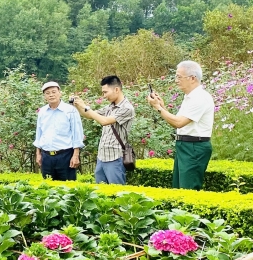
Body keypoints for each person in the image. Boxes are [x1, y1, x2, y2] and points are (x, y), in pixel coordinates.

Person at [147, 60, 214, 190]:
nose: (176, 80)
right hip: (186, 145)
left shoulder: (200, 98)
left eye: (179, 77)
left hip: (194, 147)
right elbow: (179, 120)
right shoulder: (190, 97)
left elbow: (179, 123)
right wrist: (162, 106)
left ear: (192, 78)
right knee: (178, 188)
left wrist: (158, 108)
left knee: (188, 189)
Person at [71, 75, 136, 185]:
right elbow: (90, 115)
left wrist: (86, 106)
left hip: (115, 158)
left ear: (116, 89)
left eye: (105, 92)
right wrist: (78, 105)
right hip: (102, 157)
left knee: (116, 195)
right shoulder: (110, 106)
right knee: (101, 195)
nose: (104, 96)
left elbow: (104, 121)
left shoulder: (127, 108)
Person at [34, 81, 85, 181]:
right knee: (48, 189)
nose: (51, 95)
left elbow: (77, 133)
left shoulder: (70, 110)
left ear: (60, 93)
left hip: (65, 156)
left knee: (68, 189)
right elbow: (39, 133)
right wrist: (38, 153)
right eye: (47, 93)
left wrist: (75, 155)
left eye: (54, 92)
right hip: (46, 157)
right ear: (44, 96)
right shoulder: (42, 112)